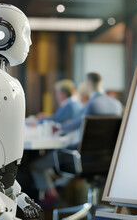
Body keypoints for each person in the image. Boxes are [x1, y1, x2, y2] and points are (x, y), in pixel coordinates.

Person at [30, 72, 123, 207]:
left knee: (37, 165)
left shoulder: (92, 104)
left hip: (82, 158)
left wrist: (61, 127)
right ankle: (57, 187)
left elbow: (76, 123)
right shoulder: (116, 104)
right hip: (107, 159)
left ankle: (52, 194)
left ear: (89, 83)